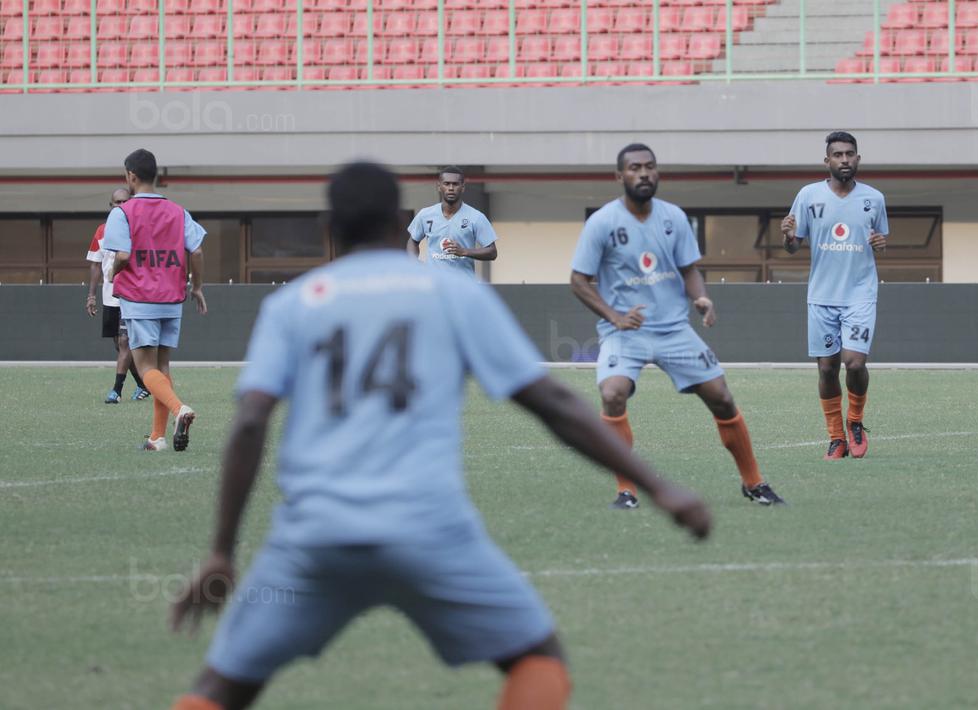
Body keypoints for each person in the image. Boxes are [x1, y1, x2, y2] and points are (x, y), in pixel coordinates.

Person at [168, 161, 711, 710]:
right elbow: (550, 402)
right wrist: (659, 486)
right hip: (427, 527)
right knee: (538, 660)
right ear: (401, 219)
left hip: (315, 535)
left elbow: (251, 421)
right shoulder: (454, 295)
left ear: (329, 223)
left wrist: (220, 551)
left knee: (223, 687)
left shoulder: (292, 304)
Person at [570, 143, 785, 510]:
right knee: (612, 393)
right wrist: (615, 317)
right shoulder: (602, 222)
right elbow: (578, 280)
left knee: (721, 396)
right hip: (626, 332)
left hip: (674, 330)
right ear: (619, 176)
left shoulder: (674, 217)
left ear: (658, 172)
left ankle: (754, 482)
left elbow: (689, 270)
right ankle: (627, 490)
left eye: (649, 167)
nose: (643, 173)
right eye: (635, 168)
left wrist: (700, 298)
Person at [780, 131, 888, 461]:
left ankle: (855, 421)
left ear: (858, 159)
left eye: (850, 154)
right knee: (827, 369)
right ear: (827, 161)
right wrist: (786, 236)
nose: (844, 160)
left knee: (854, 363)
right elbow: (793, 245)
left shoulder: (874, 199)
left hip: (860, 294)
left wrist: (881, 245)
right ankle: (836, 437)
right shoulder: (809, 195)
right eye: (838, 155)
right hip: (822, 297)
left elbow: (879, 240)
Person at [102, 148, 208, 451]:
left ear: (130, 176)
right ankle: (157, 437)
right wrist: (197, 287)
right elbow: (197, 250)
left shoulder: (122, 212)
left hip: (139, 298)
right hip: (172, 300)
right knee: (162, 368)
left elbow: (122, 255)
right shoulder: (178, 211)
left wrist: (113, 271)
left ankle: (180, 409)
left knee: (146, 367)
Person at [86, 186, 150, 403]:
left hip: (131, 296)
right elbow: (95, 265)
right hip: (109, 296)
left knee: (125, 343)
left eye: (125, 202)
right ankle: (143, 385)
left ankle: (116, 391)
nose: (121, 206)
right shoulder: (101, 231)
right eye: (117, 203)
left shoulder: (138, 229)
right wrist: (91, 296)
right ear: (111, 206)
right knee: (120, 345)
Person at [406, 165, 497, 276]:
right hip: (435, 284)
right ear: (439, 186)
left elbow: (492, 252)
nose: (451, 188)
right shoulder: (425, 215)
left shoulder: (476, 217)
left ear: (463, 187)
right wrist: (413, 263)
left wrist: (464, 251)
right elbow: (413, 241)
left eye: (455, 184)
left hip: (463, 285)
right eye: (447, 183)